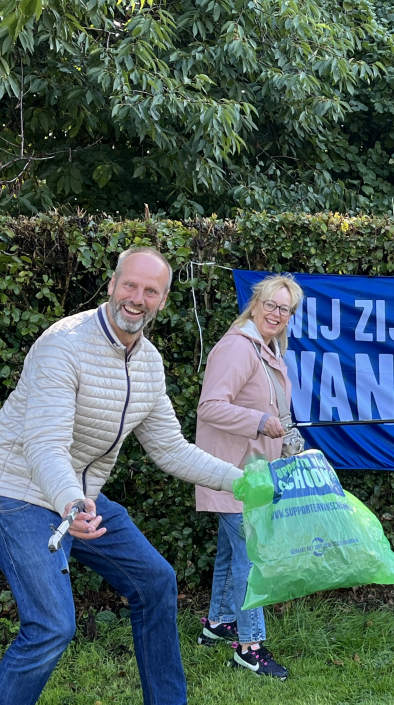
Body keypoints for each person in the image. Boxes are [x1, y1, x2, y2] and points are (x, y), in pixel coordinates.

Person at [0, 247, 244, 705]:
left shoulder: (148, 363)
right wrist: (71, 502)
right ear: (112, 285)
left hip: (81, 498)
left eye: (150, 291)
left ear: (162, 301)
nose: (137, 297)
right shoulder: (63, 344)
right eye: (129, 285)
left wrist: (243, 480)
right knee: (52, 625)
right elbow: (44, 445)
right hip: (18, 491)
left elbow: (171, 448)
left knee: (155, 581)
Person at [194, 274, 304, 680]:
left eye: (285, 309)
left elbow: (280, 414)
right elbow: (210, 407)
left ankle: (218, 623)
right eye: (271, 305)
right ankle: (249, 646)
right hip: (234, 473)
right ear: (255, 304)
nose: (276, 314)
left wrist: (296, 446)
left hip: (254, 474)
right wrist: (258, 421)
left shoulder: (268, 350)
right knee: (251, 559)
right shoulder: (237, 348)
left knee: (231, 551)